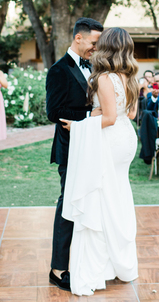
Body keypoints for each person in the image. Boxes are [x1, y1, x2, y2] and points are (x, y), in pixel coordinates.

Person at [59, 27, 139, 296]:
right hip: (126, 139)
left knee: (101, 199)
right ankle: (120, 263)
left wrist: (78, 126)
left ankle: (101, 267)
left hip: (111, 139)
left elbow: (108, 119)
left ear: (106, 46)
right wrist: (98, 110)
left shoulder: (105, 77)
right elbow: (130, 113)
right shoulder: (129, 76)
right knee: (117, 196)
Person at [45, 17, 104, 292]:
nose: (96, 48)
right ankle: (58, 269)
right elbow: (54, 113)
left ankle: (84, 261)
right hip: (70, 146)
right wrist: (89, 115)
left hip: (92, 144)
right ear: (78, 38)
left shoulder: (92, 66)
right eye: (94, 43)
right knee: (67, 204)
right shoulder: (59, 70)